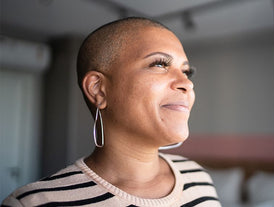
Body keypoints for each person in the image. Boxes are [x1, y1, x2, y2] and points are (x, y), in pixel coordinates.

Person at [2, 17, 220, 207]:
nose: (187, 84)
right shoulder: (32, 203)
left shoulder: (197, 177)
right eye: (160, 64)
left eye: (186, 72)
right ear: (99, 89)